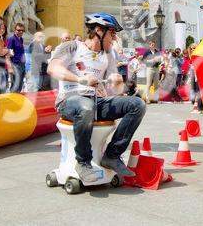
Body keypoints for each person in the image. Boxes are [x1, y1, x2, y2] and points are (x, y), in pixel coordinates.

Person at [48, 12, 145, 182]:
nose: (114, 38)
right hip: (69, 101)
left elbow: (116, 91)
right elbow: (53, 68)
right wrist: (80, 79)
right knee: (86, 106)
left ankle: (112, 155)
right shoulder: (72, 46)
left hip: (95, 102)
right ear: (99, 31)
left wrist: (117, 84)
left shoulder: (108, 55)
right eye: (112, 33)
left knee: (137, 104)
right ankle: (83, 163)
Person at [7, 23, 26, 93]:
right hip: (15, 64)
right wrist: (10, 67)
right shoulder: (11, 39)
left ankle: (17, 100)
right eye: (19, 30)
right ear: (15, 30)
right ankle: (11, 100)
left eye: (22, 30)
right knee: (15, 84)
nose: (21, 32)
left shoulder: (21, 39)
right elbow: (8, 53)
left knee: (20, 83)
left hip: (22, 64)